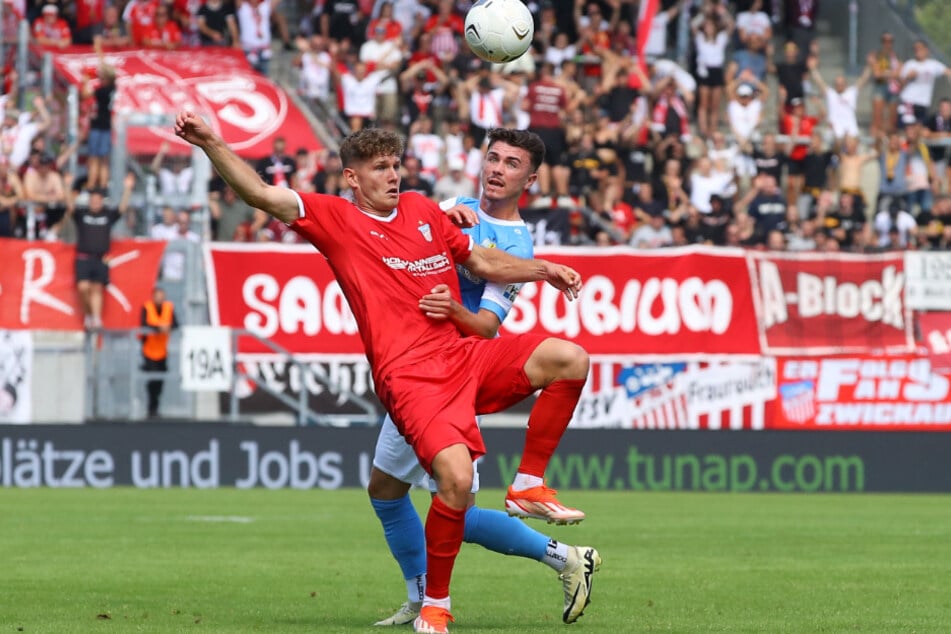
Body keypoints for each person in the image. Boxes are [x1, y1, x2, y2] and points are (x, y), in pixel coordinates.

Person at [175, 113, 591, 634]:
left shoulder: (422, 209)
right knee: (441, 486)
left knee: (570, 359)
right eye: (380, 168)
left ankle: (528, 489)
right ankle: (436, 602)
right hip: (411, 379)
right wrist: (212, 141)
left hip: (462, 357)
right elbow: (260, 193)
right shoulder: (336, 220)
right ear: (353, 178)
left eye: (396, 165)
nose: (393, 175)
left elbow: (482, 263)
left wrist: (544, 269)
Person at [369, 129, 601, 628]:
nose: (496, 169)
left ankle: (560, 558)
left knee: (455, 509)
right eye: (492, 158)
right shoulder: (456, 204)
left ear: (530, 179)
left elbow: (488, 329)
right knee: (386, 491)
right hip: (413, 364)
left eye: (511, 164)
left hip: (453, 374)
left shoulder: (516, 243)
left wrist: (453, 307)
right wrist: (437, 217)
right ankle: (421, 594)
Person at [65, 173, 135, 330]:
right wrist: (67, 187)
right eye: (92, 199)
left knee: (97, 289)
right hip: (83, 257)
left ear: (101, 201)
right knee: (83, 288)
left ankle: (95, 318)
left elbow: (122, 208)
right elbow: (70, 206)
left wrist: (128, 189)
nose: (95, 202)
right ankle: (88, 314)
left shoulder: (107, 215)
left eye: (97, 199)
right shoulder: (82, 215)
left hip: (101, 258)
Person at [140, 286, 178, 418]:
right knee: (152, 379)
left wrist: (167, 327)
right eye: (158, 296)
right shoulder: (147, 307)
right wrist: (158, 328)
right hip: (149, 350)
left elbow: (175, 324)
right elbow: (143, 323)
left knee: (160, 381)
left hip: (162, 351)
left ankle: (155, 407)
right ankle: (151, 408)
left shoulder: (168, 308)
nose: (160, 299)